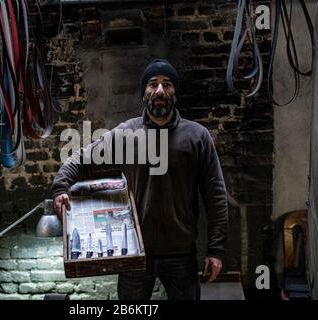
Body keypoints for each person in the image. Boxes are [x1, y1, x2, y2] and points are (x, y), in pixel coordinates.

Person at [51, 59, 228, 300]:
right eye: (153, 84)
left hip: (181, 254)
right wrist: (61, 186)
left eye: (167, 84)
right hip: (135, 254)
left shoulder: (197, 137)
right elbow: (81, 159)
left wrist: (216, 250)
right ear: (144, 93)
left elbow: (215, 195)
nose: (160, 90)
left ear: (175, 93)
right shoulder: (126, 134)